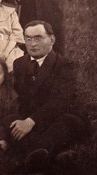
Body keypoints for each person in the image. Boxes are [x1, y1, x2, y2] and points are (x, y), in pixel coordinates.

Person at [10, 21, 90, 172]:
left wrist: (31, 121)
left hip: (62, 116)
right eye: (28, 38)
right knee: (10, 123)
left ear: (52, 40)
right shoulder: (19, 63)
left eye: (38, 38)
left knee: (63, 125)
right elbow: (22, 97)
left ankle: (31, 163)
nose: (32, 44)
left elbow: (61, 101)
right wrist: (24, 120)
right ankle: (55, 157)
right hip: (33, 118)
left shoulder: (65, 65)